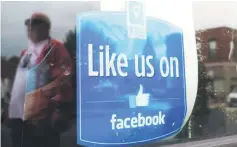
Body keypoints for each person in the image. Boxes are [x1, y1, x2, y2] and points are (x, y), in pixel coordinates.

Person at [8, 12, 73, 147]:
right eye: (29, 24)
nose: (30, 27)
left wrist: (58, 109)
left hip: (45, 117)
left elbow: (63, 78)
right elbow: (19, 84)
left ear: (46, 28)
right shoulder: (25, 54)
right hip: (21, 118)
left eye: (35, 23)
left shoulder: (56, 48)